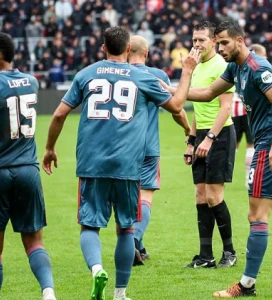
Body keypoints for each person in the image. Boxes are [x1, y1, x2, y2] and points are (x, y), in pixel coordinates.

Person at [42, 26, 200, 300]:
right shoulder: (143, 76)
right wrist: (186, 71)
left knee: (89, 226)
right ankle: (120, 292)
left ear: (103, 47)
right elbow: (176, 107)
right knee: (126, 228)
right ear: (128, 49)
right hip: (129, 165)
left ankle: (96, 269)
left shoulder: (86, 74)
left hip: (92, 164)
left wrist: (49, 148)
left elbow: (58, 115)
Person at [163, 20, 272, 298]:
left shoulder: (257, 68)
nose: (220, 47)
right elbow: (207, 94)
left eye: (224, 42)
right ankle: (247, 282)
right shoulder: (234, 67)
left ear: (240, 40)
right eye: (219, 42)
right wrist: (173, 90)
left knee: (256, 216)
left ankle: (246, 285)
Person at [0, 33, 56, 300]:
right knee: (34, 242)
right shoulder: (31, 81)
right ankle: (48, 293)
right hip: (28, 170)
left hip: (0, 170)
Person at [128, 35, 191, 266]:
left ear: (126, 52)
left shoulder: (116, 74)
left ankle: (140, 247)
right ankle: (133, 241)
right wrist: (187, 129)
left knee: (128, 199)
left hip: (120, 149)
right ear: (146, 53)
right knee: (145, 197)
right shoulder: (157, 75)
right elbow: (176, 109)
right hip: (148, 147)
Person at [182, 21, 237, 269]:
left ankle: (230, 252)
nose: (197, 44)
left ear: (213, 41)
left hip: (221, 134)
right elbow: (197, 108)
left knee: (215, 197)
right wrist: (192, 140)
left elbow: (226, 108)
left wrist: (209, 138)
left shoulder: (223, 66)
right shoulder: (195, 67)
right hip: (203, 135)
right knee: (200, 196)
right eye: (194, 40)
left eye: (201, 40)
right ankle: (206, 256)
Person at [232, 43, 267, 188]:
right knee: (251, 145)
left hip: (234, 112)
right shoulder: (257, 68)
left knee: (234, 145)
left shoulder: (239, 67)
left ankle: (225, 172)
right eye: (264, 55)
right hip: (249, 113)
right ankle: (248, 178)